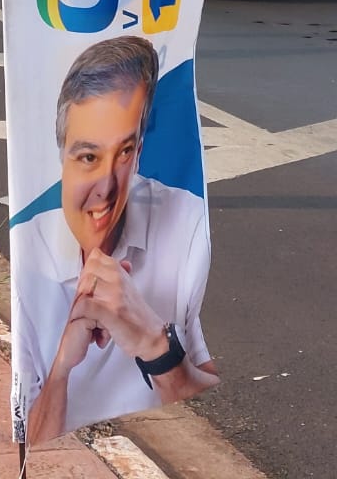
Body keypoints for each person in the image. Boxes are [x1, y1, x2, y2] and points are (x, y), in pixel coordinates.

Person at [13, 36, 218, 446]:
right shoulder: (27, 257)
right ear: (61, 157)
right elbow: (30, 445)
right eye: (88, 157)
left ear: (140, 152)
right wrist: (61, 368)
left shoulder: (185, 221)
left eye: (123, 153)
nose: (106, 187)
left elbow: (208, 398)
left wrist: (155, 344)